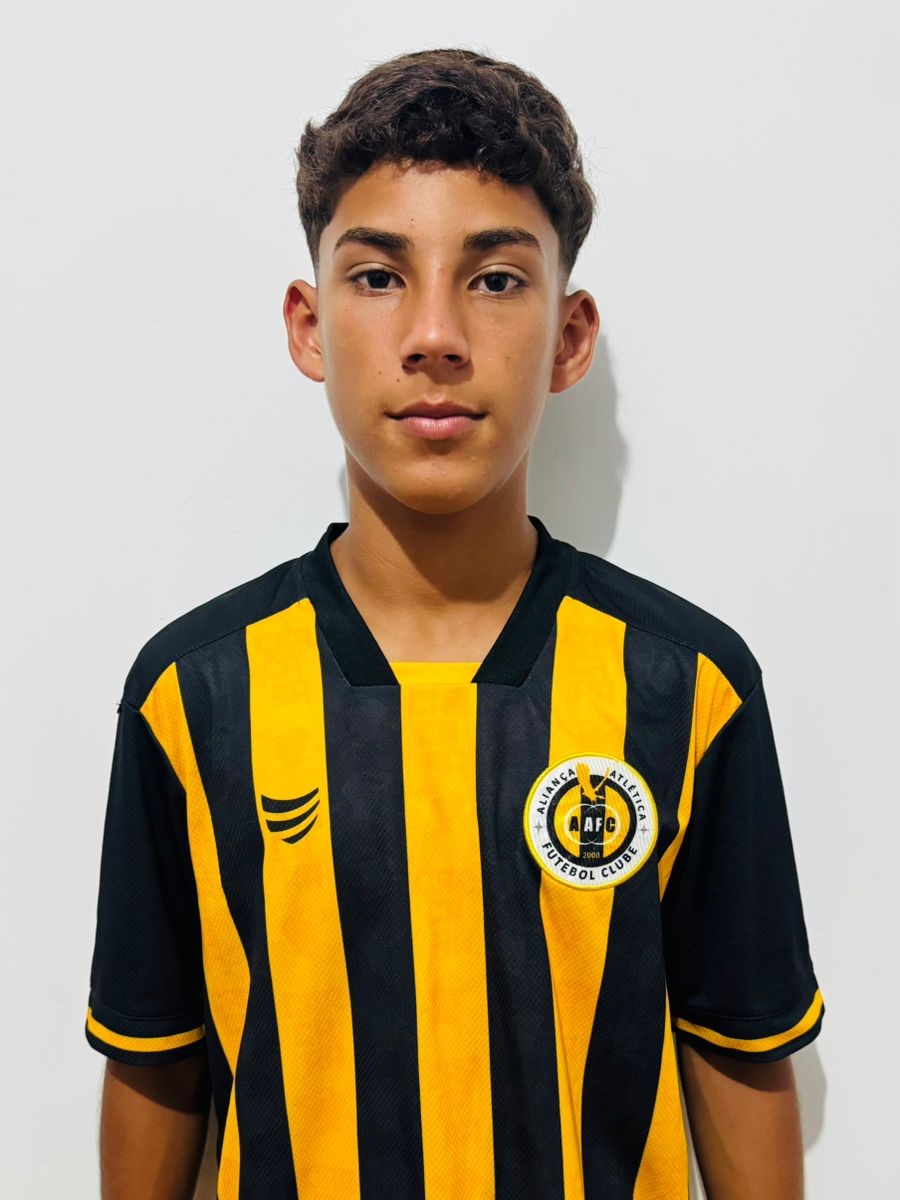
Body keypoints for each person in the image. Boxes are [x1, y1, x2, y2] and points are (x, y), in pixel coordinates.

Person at [85, 46, 825, 1200]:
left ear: (569, 335)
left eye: (496, 278)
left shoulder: (687, 687)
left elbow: (738, 1052)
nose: (435, 333)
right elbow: (156, 1060)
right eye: (380, 275)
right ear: (309, 325)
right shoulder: (194, 694)